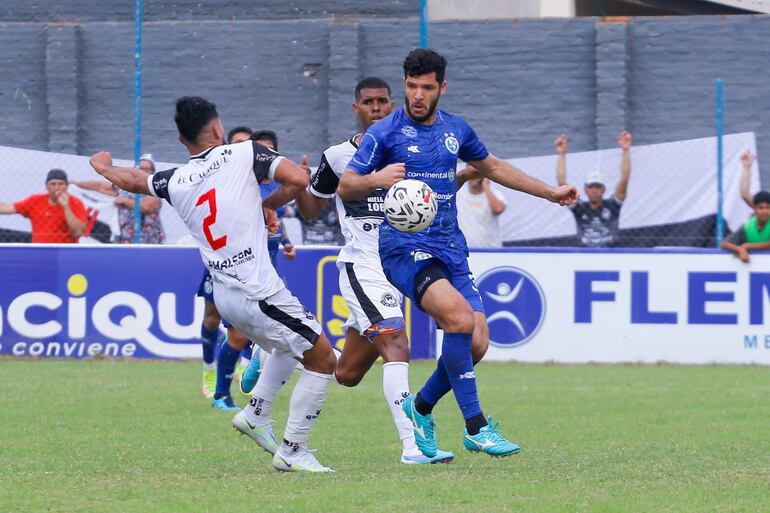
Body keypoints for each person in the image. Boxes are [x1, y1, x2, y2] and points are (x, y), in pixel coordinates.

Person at [338, 49, 578, 458]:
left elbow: (494, 166)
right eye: (411, 86)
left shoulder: (456, 129)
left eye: (426, 87)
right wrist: (377, 178)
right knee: (460, 320)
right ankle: (476, 427)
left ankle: (420, 407)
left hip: (450, 248)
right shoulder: (385, 133)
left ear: (442, 88)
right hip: (404, 249)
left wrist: (550, 192)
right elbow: (346, 185)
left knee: (477, 343)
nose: (418, 95)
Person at [89, 96, 338, 472]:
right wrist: (270, 205)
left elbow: (136, 181)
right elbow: (300, 179)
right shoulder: (245, 152)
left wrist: (103, 165)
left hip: (225, 296)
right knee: (323, 360)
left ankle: (255, 415)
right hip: (257, 291)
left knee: (290, 344)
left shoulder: (174, 179)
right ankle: (293, 450)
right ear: (219, 128)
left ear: (181, 140)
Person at [295, 76, 457, 465]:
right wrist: (301, 185)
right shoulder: (337, 156)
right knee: (397, 343)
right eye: (368, 102)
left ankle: (280, 349)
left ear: (392, 105)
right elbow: (311, 210)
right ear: (357, 108)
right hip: (363, 264)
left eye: (383, 101)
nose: (376, 108)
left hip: (397, 266)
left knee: (346, 373)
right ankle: (413, 447)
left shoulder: (410, 152)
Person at [555, 131, 631, 247]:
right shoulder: (580, 208)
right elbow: (562, 184)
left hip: (610, 253)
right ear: (585, 189)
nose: (594, 190)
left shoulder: (612, 206)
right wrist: (561, 154)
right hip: (585, 253)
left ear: (603, 190)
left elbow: (624, 180)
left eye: (598, 186)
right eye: (591, 186)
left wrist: (626, 150)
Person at [76, 154, 165, 243]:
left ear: (153, 172)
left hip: (148, 241)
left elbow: (145, 207)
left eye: (147, 169)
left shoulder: (155, 190)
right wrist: (75, 185)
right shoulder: (124, 187)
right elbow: (99, 186)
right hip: (125, 239)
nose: (143, 171)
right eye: (140, 168)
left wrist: (124, 201)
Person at [0, 169, 87, 243]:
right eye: (53, 184)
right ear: (47, 186)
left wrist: (66, 207)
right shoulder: (35, 200)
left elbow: (78, 232)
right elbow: (9, 208)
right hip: (40, 251)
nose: (57, 187)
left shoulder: (76, 203)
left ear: (67, 186)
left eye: (61, 184)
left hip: (64, 251)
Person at [721, 151, 770, 262]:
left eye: (768, 208)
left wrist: (747, 246)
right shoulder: (749, 226)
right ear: (754, 209)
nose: (764, 211)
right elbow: (744, 194)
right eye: (761, 208)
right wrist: (746, 167)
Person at [456, 172, 507, 247]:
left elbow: (498, 209)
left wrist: (485, 185)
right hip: (464, 248)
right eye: (472, 175)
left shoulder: (495, 193)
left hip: (490, 249)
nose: (474, 178)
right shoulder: (459, 194)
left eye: (477, 174)